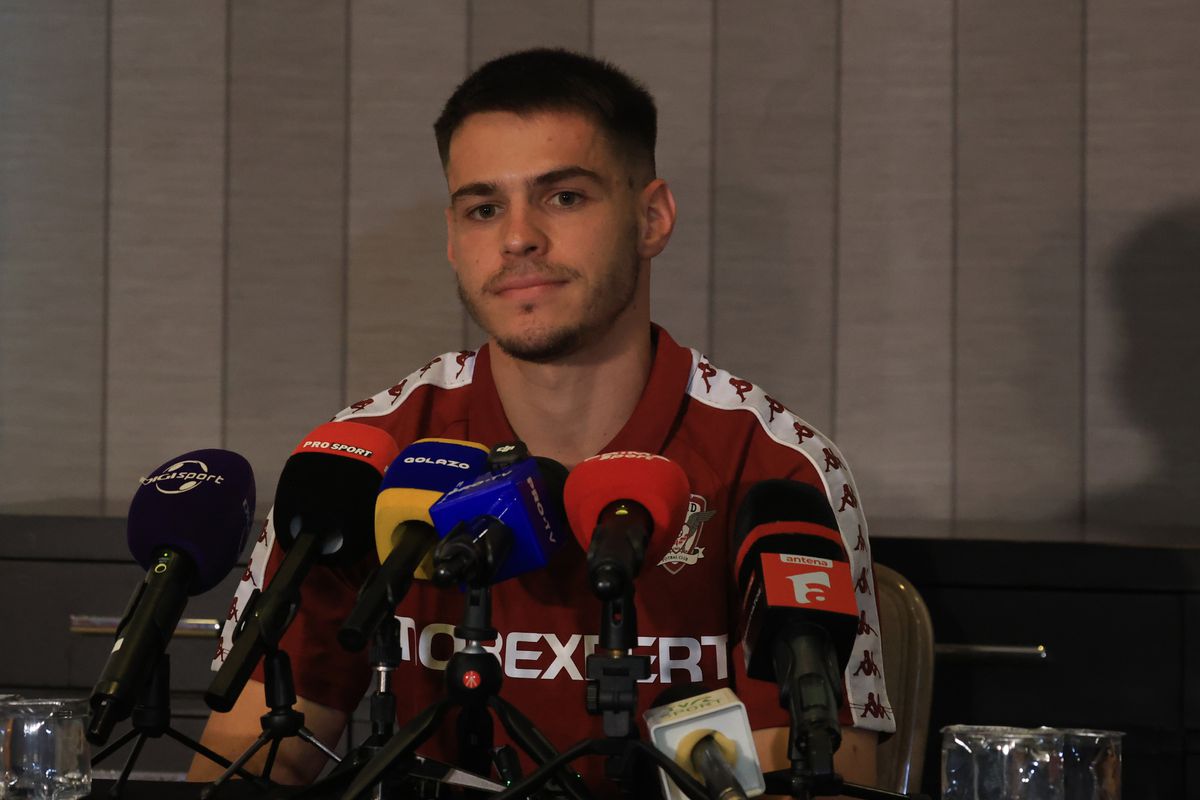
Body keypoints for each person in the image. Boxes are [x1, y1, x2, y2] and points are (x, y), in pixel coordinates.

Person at [191, 48, 894, 795]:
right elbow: (252, 758)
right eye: (484, 208)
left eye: (563, 197)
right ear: (453, 238)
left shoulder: (776, 465)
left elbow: (817, 775)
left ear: (652, 218)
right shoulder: (365, 455)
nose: (518, 237)